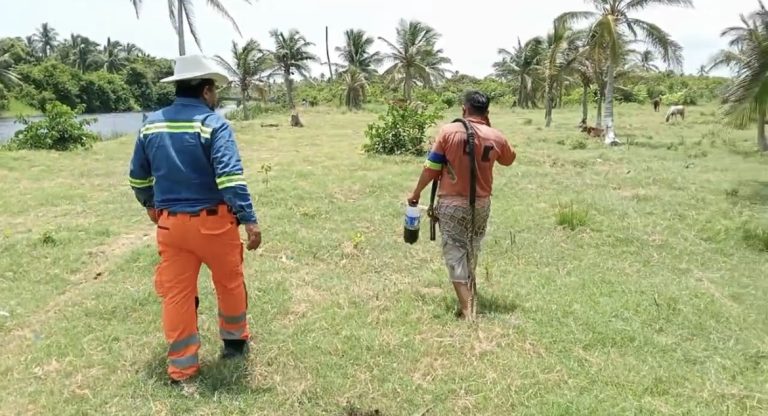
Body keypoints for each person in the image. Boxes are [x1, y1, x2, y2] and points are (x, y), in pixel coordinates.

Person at [128, 55, 262, 385]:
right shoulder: (213, 124)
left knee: (177, 296)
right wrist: (249, 219)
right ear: (205, 91)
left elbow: (138, 177)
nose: (215, 97)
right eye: (214, 90)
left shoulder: (151, 124)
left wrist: (149, 203)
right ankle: (233, 345)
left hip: (171, 227)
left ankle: (182, 369)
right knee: (229, 283)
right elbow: (230, 178)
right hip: (214, 224)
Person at [408, 90, 516, 319]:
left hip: (452, 204)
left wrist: (416, 193)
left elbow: (432, 167)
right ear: (486, 112)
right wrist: (489, 129)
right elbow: (509, 159)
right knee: (471, 250)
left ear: (464, 109)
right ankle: (469, 301)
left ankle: (469, 313)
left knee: (455, 253)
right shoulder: (495, 135)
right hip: (482, 204)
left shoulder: (448, 132)